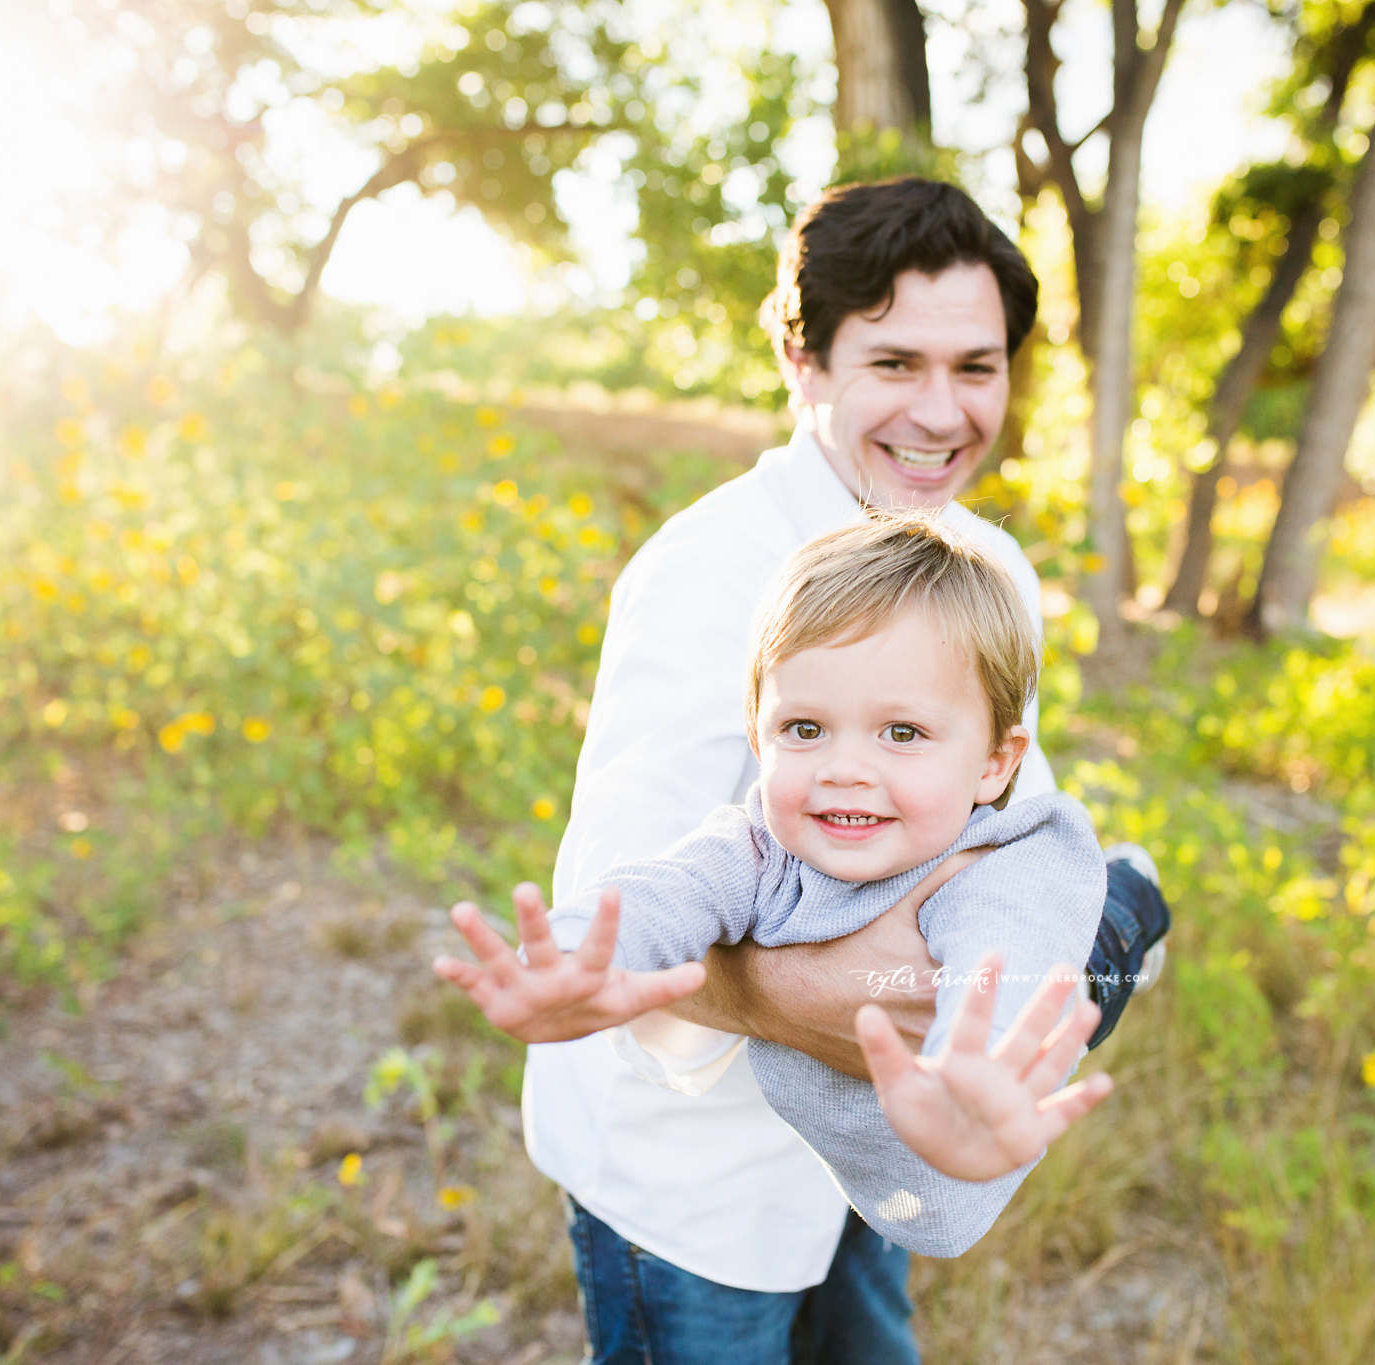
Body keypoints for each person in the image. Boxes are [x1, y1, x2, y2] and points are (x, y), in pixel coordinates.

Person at [503, 177, 1171, 1364]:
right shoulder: (708, 575)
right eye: (894, 363)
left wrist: (1029, 970)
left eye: (976, 367)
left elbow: (996, 820)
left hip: (871, 1144)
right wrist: (881, 1008)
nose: (941, 410)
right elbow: (618, 920)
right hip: (698, 1185)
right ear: (806, 363)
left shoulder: (984, 566)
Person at [437, 513, 1115, 1260]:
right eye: (804, 728)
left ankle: (1134, 890)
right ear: (757, 736)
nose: (844, 767)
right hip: (766, 1195)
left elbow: (1002, 958)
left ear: (995, 762)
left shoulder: (1008, 863)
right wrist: (574, 955)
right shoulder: (758, 845)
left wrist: (970, 1070)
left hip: (1089, 930)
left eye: (901, 733)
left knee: (1115, 931)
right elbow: (669, 890)